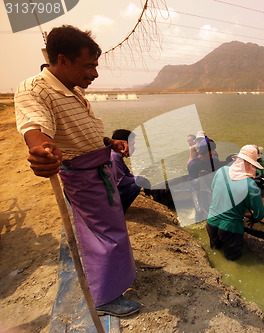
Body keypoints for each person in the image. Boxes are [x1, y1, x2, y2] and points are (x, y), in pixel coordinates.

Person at [14, 25, 140, 316]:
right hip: (84, 175)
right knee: (104, 234)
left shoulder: (73, 89)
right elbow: (35, 128)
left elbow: (82, 130)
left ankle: (115, 278)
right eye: (89, 66)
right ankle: (105, 297)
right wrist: (41, 149)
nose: (94, 74)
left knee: (109, 229)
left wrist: (110, 142)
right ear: (63, 60)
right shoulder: (34, 90)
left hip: (99, 167)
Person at [206, 145, 264, 261]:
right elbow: (260, 213)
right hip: (230, 229)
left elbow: (214, 190)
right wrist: (253, 218)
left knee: (214, 251)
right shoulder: (249, 184)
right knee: (233, 259)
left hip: (211, 222)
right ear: (251, 164)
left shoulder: (221, 171)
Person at [111, 129, 149, 213]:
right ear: (123, 145)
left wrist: (140, 178)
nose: (134, 148)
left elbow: (127, 174)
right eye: (132, 145)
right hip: (107, 194)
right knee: (135, 186)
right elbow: (120, 181)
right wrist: (140, 180)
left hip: (110, 190)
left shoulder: (117, 156)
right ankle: (117, 212)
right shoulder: (113, 157)